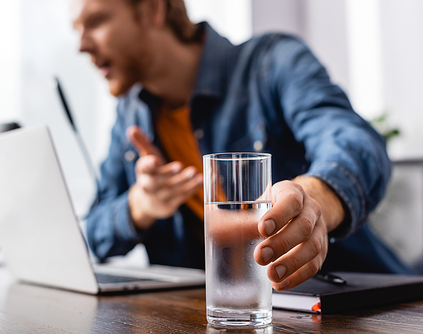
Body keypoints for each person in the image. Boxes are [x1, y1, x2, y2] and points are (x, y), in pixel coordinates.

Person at [71, 0, 415, 291]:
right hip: (216, 315)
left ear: (153, 9)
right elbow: (93, 234)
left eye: (97, 21)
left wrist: (313, 197)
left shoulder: (273, 62)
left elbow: (356, 141)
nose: (81, 45)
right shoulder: (130, 116)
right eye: (77, 29)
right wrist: (140, 205)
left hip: (350, 305)